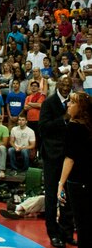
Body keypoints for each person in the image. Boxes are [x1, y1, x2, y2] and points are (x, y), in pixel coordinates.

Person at [39, 77, 75, 248]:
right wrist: (64, 118)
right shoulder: (49, 103)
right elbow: (43, 127)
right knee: (52, 195)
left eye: (69, 85)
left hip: (70, 156)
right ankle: (53, 233)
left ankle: (66, 233)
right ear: (58, 86)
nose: (66, 88)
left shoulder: (74, 102)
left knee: (68, 195)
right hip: (52, 155)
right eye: (64, 85)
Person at [57, 92, 92, 248]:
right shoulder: (88, 125)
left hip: (78, 181)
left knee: (83, 225)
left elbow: (70, 158)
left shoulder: (74, 126)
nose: (68, 104)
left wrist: (60, 184)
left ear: (81, 107)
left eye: (72, 102)